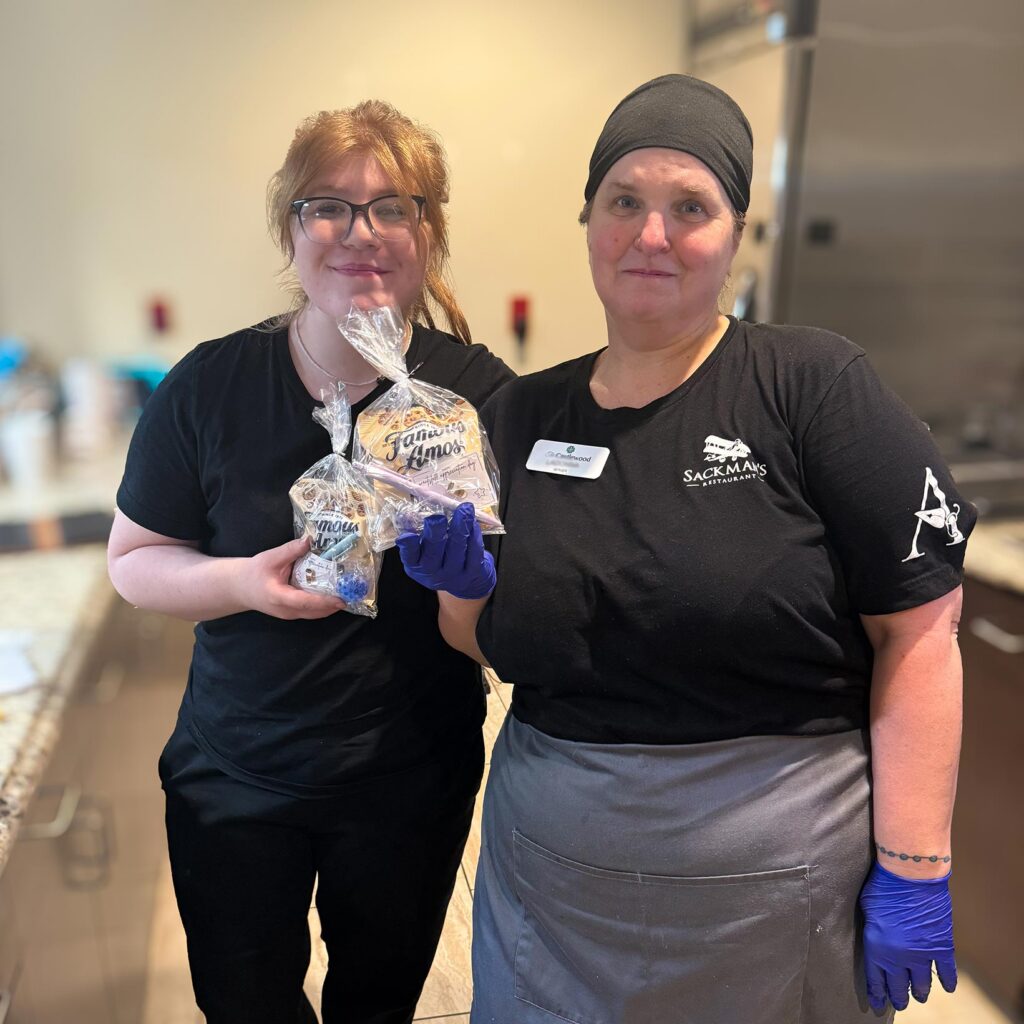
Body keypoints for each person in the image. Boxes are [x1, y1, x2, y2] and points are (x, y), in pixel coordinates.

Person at [396, 75, 973, 1023]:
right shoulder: (520, 415)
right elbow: (485, 642)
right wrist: (460, 596)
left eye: (690, 207)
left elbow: (920, 629)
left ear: (735, 233)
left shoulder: (810, 387)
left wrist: (915, 865)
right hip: (551, 891)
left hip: (772, 897)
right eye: (624, 201)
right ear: (589, 220)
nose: (651, 235)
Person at [106, 101, 514, 1024]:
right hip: (236, 776)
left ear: (430, 233)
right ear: (290, 230)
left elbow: (515, 627)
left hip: (411, 777)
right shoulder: (210, 385)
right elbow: (133, 561)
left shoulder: (477, 399)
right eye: (328, 206)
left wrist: (470, 594)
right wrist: (241, 583)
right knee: (244, 1005)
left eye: (393, 206)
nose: (359, 232)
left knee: (378, 1005)